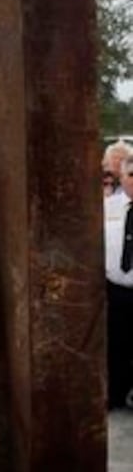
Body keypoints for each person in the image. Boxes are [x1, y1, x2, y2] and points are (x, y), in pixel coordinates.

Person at [104, 157, 133, 408]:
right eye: (130, 174)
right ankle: (115, 394)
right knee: (115, 344)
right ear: (121, 177)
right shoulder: (107, 207)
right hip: (115, 287)